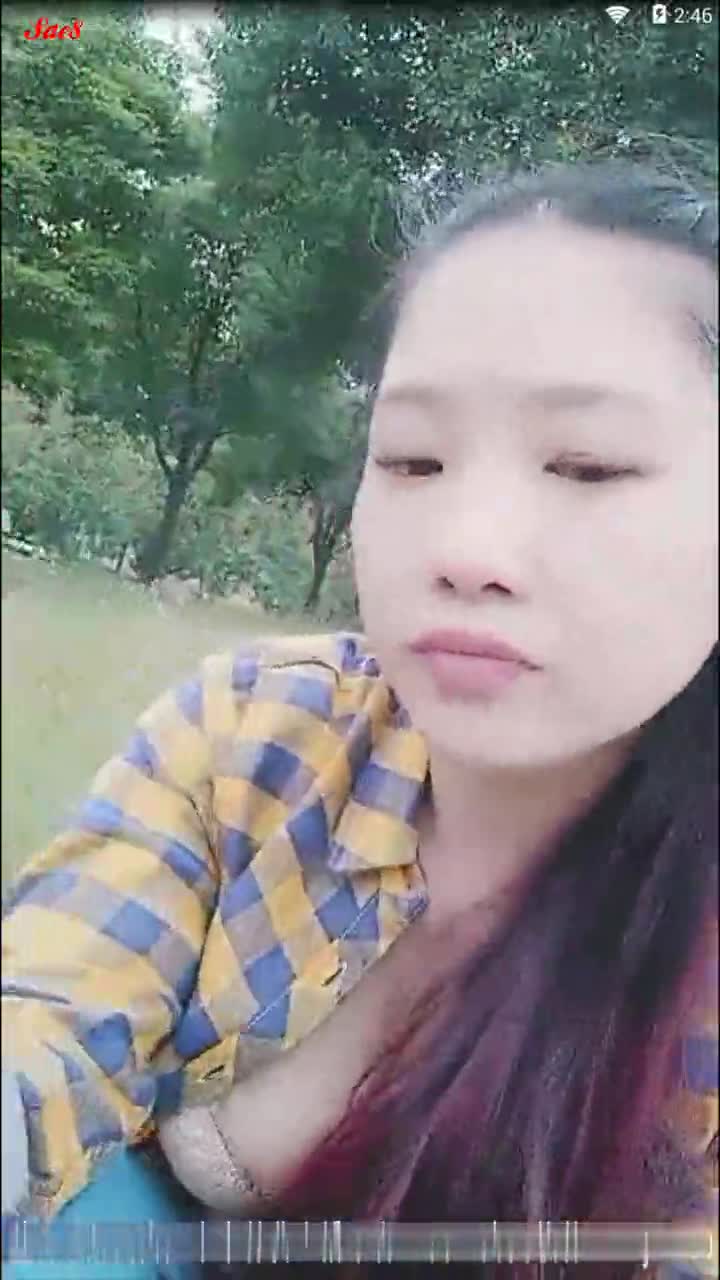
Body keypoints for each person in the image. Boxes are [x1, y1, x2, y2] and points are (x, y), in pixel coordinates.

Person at [2, 160, 717, 1280]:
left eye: (587, 466)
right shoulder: (263, 730)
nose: (465, 550)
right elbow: (48, 1016)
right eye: (413, 458)